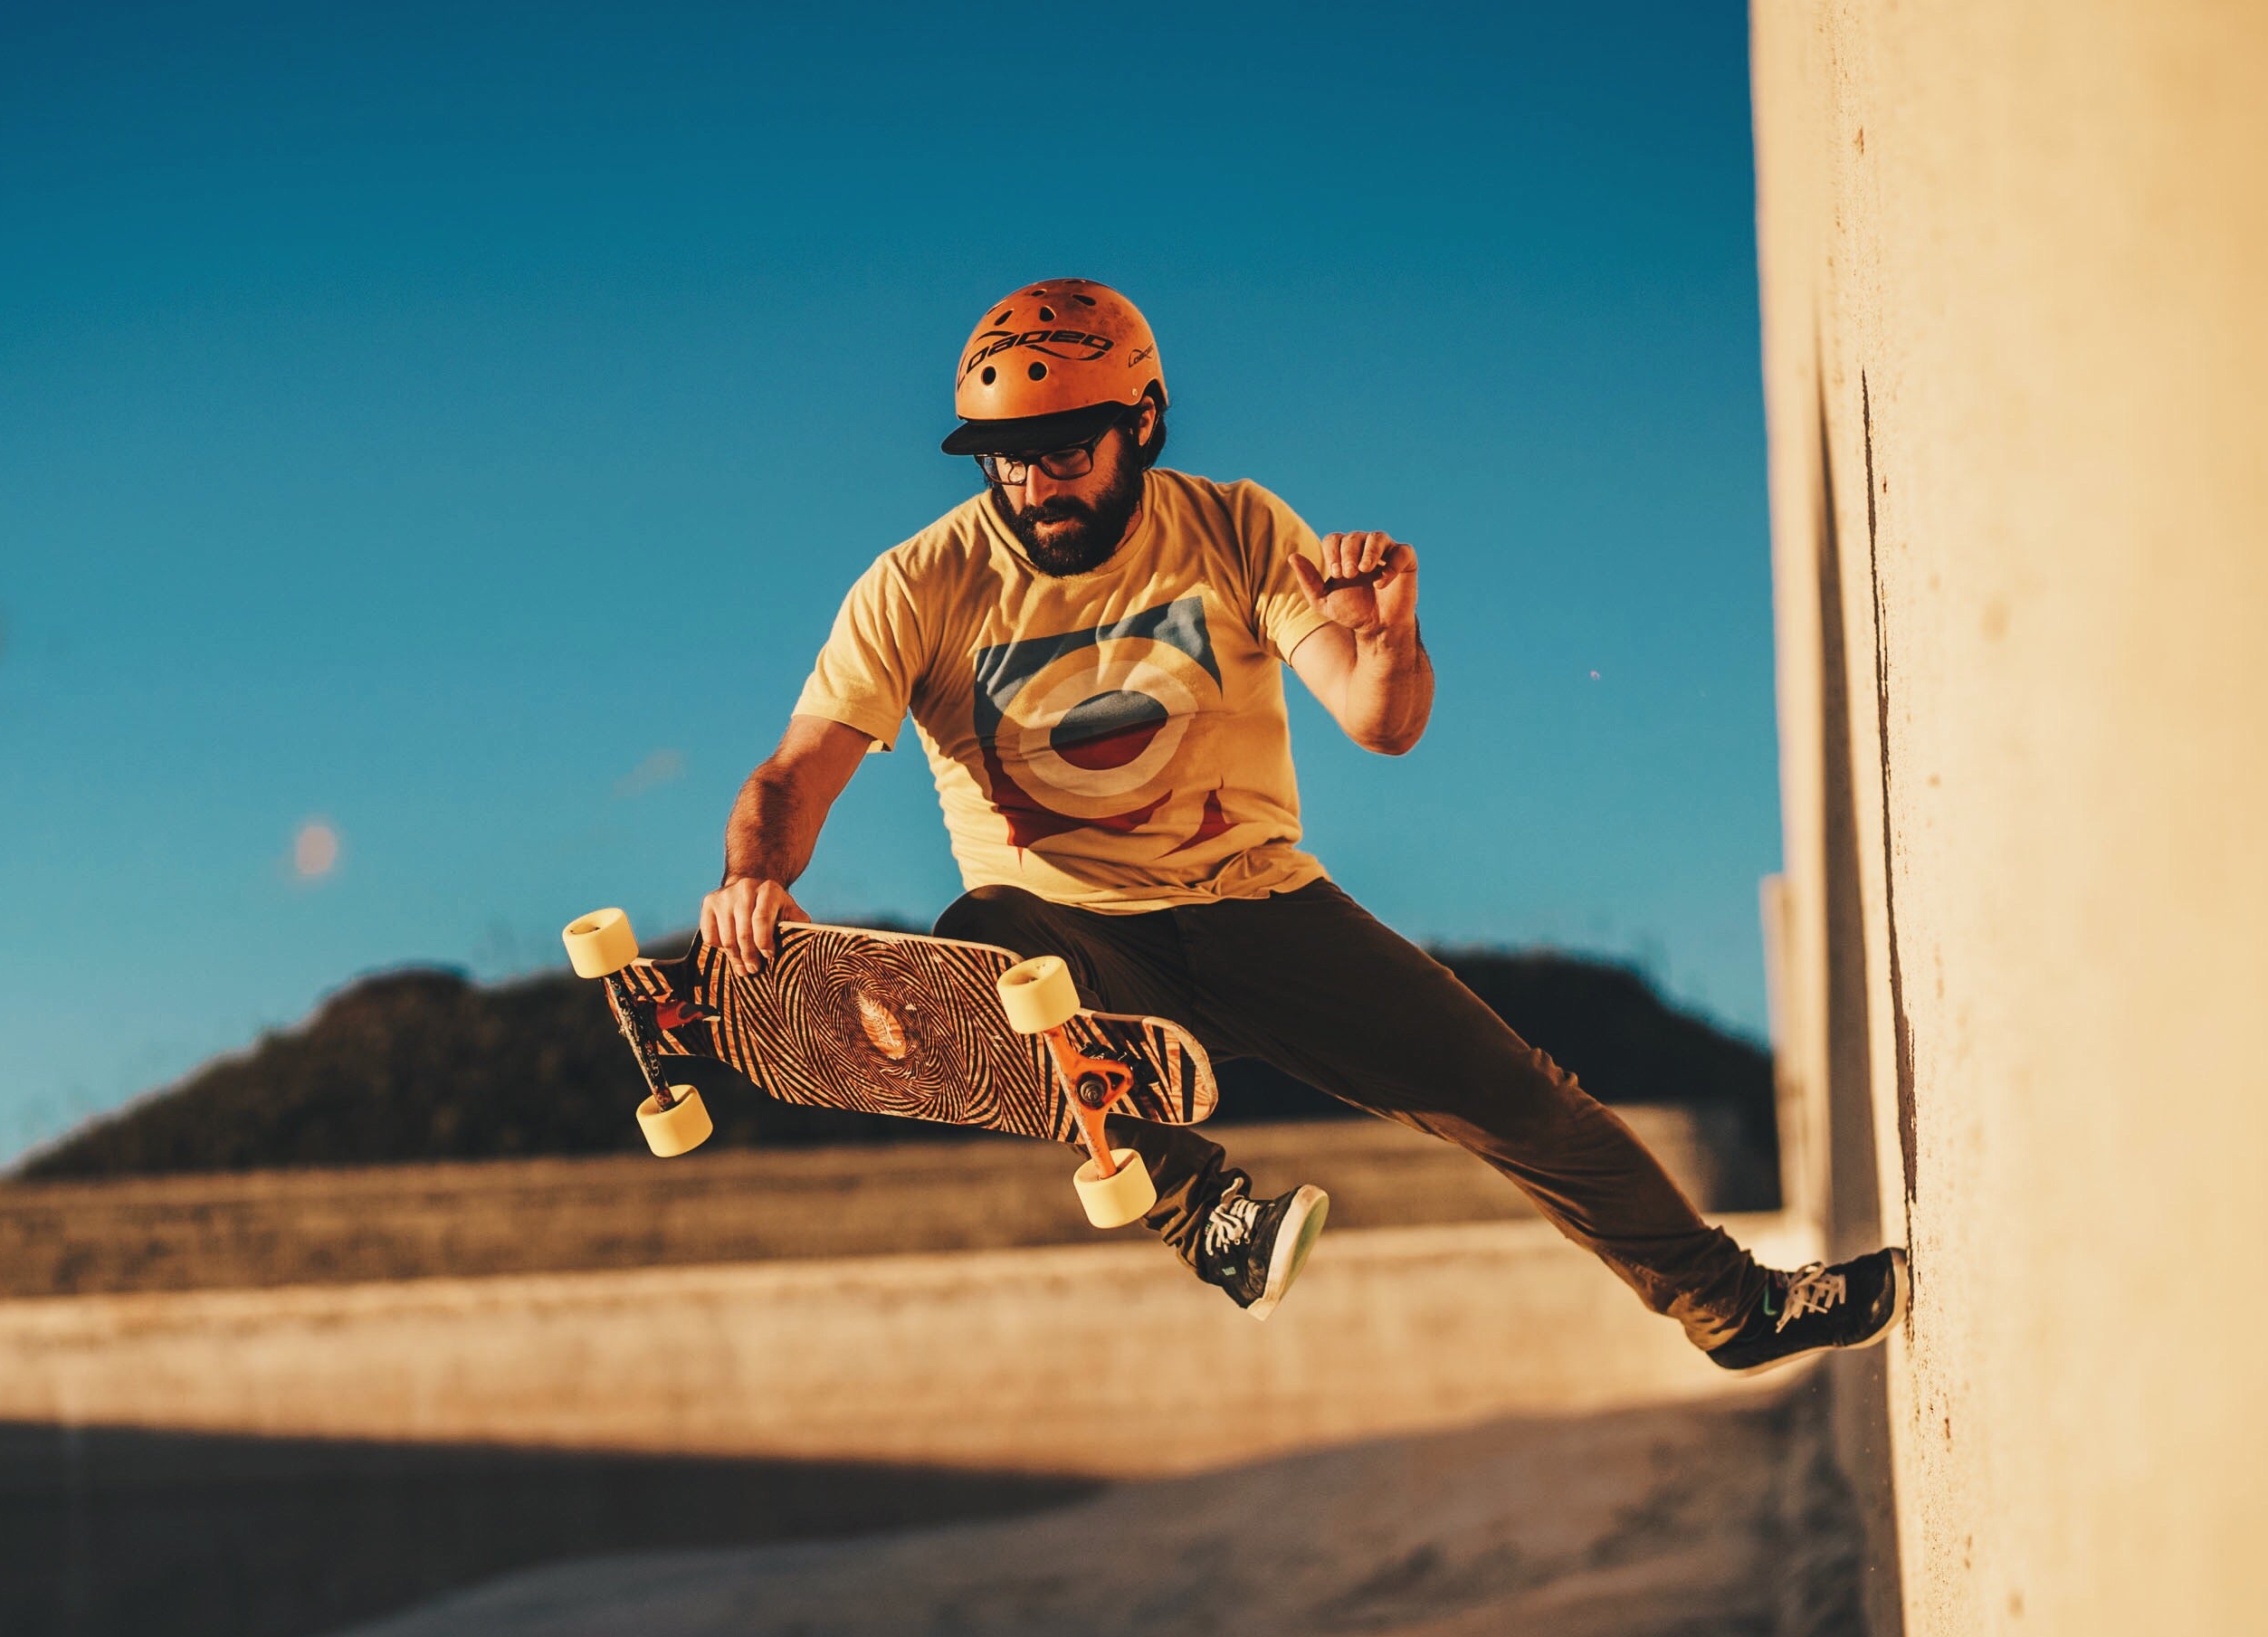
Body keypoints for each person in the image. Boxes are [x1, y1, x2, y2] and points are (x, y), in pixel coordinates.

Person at [697, 277, 1905, 1371]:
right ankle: (1206, 1217)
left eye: (1068, 452)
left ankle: (1732, 1310)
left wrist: (1389, 644)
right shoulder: (919, 584)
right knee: (990, 940)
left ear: (1143, 425)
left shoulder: (1232, 528)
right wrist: (753, 877)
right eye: (1009, 460)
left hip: (1262, 913)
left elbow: (1379, 723)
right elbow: (795, 773)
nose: (1036, 485)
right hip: (1080, 944)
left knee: (1526, 1103)